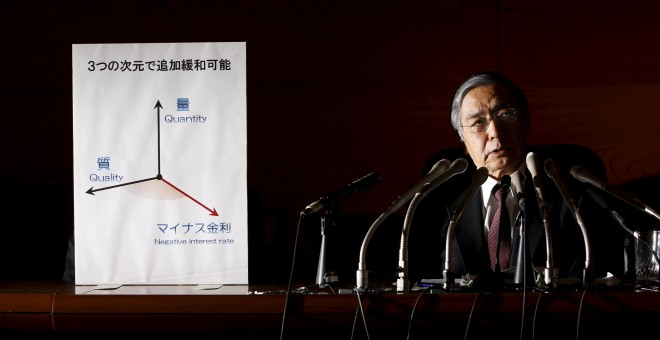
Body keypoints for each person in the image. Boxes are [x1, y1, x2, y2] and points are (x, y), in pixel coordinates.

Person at [408, 71, 627, 291]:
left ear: (526, 123)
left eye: (505, 115)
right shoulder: (436, 205)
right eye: (478, 122)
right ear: (463, 141)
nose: (495, 132)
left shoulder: (571, 199)